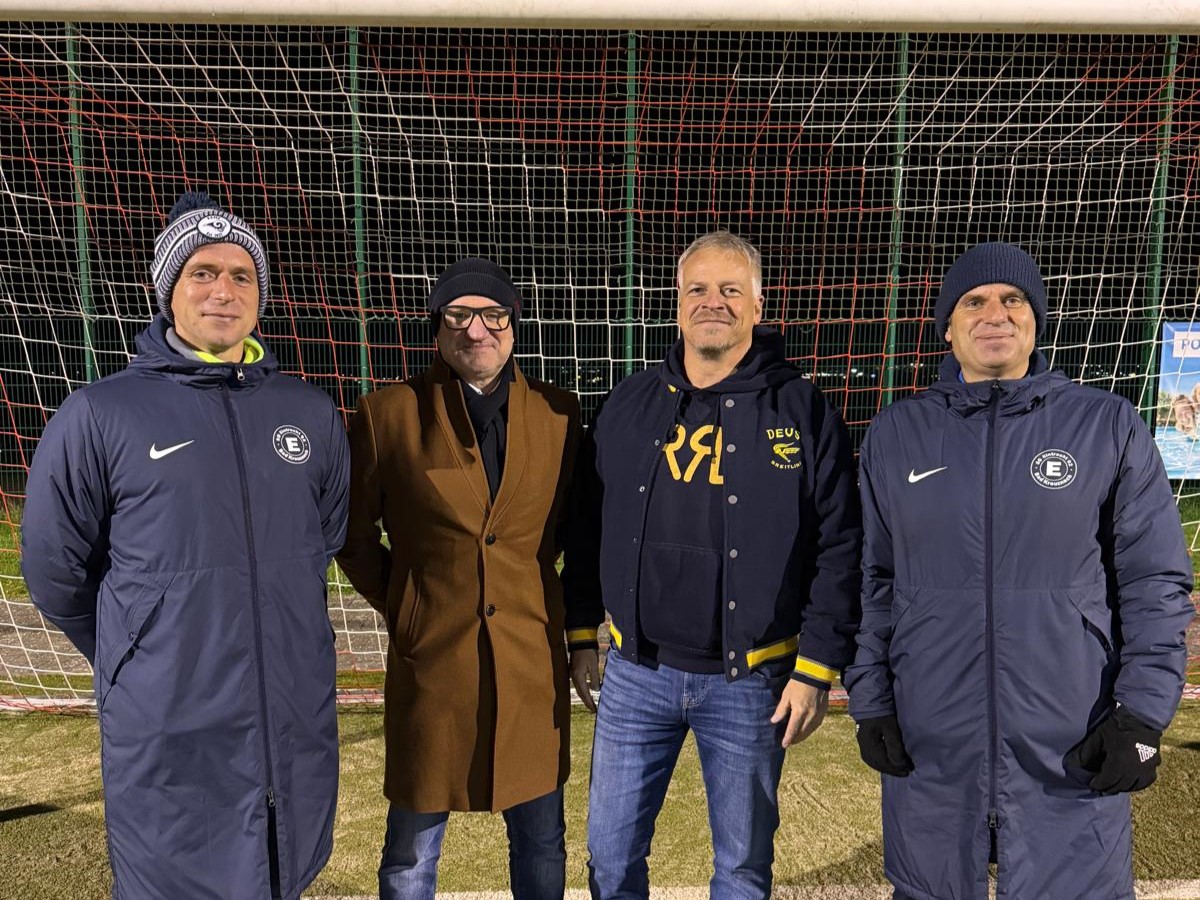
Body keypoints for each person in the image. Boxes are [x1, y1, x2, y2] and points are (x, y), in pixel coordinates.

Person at [21, 191, 350, 900]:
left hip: (289, 716)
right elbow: (54, 569)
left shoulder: (309, 412)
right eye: (202, 272)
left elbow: (323, 539)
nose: (223, 290)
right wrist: (136, 651)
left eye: (241, 275)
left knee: (283, 872)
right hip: (168, 723)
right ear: (167, 289)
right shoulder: (99, 413)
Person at [845, 242, 1195, 900]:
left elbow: (1153, 581)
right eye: (974, 302)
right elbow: (873, 582)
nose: (995, 314)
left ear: (1036, 319)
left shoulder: (1106, 425)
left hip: (1073, 742)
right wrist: (871, 702)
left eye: (1013, 300)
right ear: (948, 327)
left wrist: (1142, 715)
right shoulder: (897, 434)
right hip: (934, 743)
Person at [564, 230, 863, 899]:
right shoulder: (629, 402)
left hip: (752, 682)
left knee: (742, 870)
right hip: (635, 674)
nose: (713, 302)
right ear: (677, 304)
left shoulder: (803, 409)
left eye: (731, 290)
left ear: (758, 306)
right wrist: (582, 629)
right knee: (609, 861)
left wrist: (817, 667)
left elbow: (841, 544)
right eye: (698, 289)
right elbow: (586, 526)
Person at [336, 258, 585, 900]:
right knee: (410, 853)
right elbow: (352, 535)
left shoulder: (560, 416)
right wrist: (408, 602)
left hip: (532, 667)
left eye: (493, 315)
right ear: (437, 328)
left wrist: (577, 632)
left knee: (542, 843)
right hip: (432, 669)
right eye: (458, 315)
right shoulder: (388, 414)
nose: (477, 330)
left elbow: (577, 536)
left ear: (514, 325)